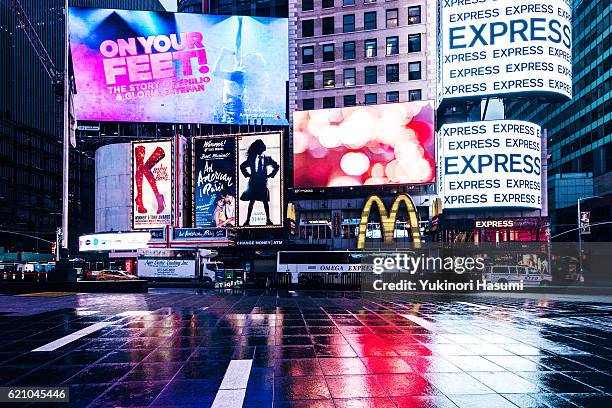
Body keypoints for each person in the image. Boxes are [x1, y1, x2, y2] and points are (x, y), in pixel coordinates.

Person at [212, 17, 268, 124]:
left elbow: (215, 72)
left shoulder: (240, 75)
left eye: (249, 55)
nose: (245, 55)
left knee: (232, 126)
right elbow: (238, 45)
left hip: (233, 106)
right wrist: (240, 24)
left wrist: (222, 54)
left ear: (251, 62)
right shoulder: (239, 65)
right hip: (229, 103)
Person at [239, 139, 279, 226]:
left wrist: (271, 175)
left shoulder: (267, 158)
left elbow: (276, 166)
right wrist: (247, 175)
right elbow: (242, 166)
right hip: (253, 183)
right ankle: (247, 221)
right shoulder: (252, 158)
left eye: (262, 150)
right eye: (260, 149)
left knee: (265, 202)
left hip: (262, 183)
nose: (261, 151)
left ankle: (268, 220)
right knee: (251, 202)